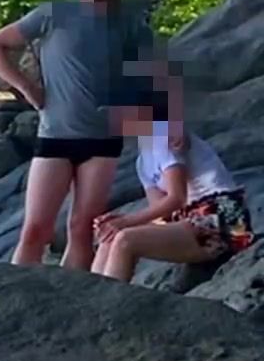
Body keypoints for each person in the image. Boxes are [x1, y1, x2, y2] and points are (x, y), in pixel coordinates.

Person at [0, 0, 173, 269]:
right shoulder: (55, 12)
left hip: (103, 140)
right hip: (56, 134)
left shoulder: (129, 22)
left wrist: (162, 127)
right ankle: (15, 293)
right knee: (35, 230)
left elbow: (151, 76)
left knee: (82, 228)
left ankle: (69, 295)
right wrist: (28, 88)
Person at [92, 93, 251, 281]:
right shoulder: (142, 162)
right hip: (188, 220)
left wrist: (128, 221)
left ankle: (111, 298)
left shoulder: (166, 136)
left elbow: (177, 198)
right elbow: (161, 212)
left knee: (125, 240)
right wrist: (116, 223)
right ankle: (93, 297)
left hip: (222, 217)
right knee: (110, 238)